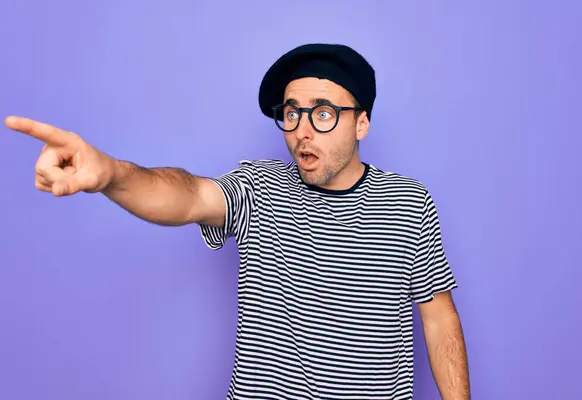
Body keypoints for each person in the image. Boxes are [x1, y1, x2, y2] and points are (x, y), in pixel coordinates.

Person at [5, 43, 470, 399]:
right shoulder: (259, 187)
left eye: (323, 114)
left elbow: (438, 318)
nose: (303, 130)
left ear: (361, 123)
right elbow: (187, 195)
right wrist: (110, 174)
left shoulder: (409, 201)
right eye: (292, 114)